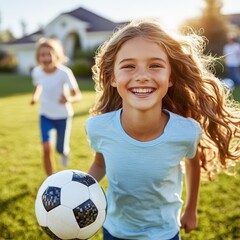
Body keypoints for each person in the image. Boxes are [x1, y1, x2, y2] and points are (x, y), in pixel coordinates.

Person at [85, 19, 240, 240]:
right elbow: (100, 163)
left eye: (155, 65)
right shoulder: (99, 127)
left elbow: (192, 164)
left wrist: (191, 208)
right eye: (129, 66)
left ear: (171, 78)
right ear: (112, 77)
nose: (142, 75)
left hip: (164, 233)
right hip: (114, 230)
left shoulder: (185, 131)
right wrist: (80, 189)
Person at [30, 38, 82, 176]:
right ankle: (50, 180)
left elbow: (77, 95)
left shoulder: (64, 72)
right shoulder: (36, 72)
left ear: (57, 55)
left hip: (63, 116)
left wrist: (69, 98)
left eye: (49, 54)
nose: (46, 57)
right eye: (42, 54)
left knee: (60, 149)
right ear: (38, 57)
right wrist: (35, 97)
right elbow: (37, 87)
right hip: (45, 115)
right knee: (46, 148)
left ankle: (64, 152)